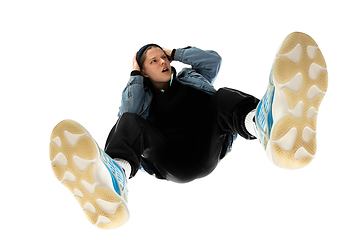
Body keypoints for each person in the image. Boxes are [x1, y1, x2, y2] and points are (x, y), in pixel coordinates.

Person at [49, 32, 328, 229]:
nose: (163, 63)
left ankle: (265, 126)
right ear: (144, 72)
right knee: (129, 123)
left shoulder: (190, 77)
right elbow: (129, 111)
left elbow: (212, 61)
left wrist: (174, 53)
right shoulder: (142, 96)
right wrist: (135, 74)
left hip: (206, 144)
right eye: (154, 61)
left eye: (163, 58)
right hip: (171, 158)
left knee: (220, 98)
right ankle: (115, 176)